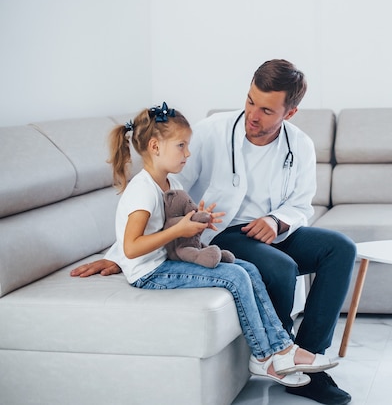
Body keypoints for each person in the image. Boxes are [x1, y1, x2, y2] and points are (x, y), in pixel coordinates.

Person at [72, 60, 356, 405]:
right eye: (250, 101)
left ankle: (308, 363)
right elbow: (166, 193)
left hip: (272, 230)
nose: (253, 115)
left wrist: (277, 222)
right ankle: (278, 353)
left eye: (267, 110)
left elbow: (300, 206)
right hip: (222, 231)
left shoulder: (301, 146)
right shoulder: (212, 131)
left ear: (290, 112)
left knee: (341, 248)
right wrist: (119, 254)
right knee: (281, 268)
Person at [100, 101, 338, 389]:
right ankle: (264, 355)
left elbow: (166, 225)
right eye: (181, 146)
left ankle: (284, 349)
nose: (188, 153)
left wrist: (195, 221)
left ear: (289, 112)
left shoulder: (166, 185)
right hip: (150, 271)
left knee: (247, 269)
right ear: (155, 147)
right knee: (237, 275)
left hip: (166, 260)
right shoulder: (143, 190)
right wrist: (179, 229)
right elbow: (132, 247)